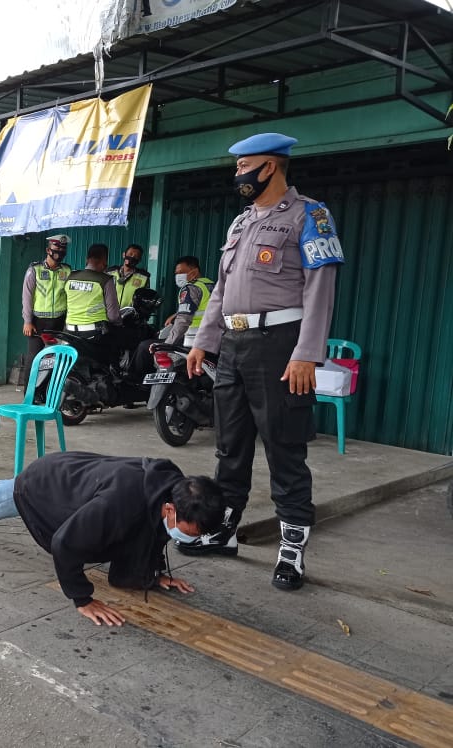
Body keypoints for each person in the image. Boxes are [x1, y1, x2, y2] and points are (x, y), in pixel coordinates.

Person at [185, 132, 342, 591]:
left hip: (280, 344)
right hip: (233, 344)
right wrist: (202, 341)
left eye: (243, 166)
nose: (238, 174)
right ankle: (222, 530)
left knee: (284, 449)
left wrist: (307, 353)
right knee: (230, 447)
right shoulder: (240, 223)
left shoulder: (309, 216)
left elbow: (321, 288)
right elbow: (220, 291)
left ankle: (291, 551)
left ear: (269, 166)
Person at [0, 453, 225, 627]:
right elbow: (64, 544)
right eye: (189, 531)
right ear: (170, 508)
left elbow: (150, 535)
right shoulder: (121, 503)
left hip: (72, 476)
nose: (187, 538)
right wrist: (83, 599)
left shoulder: (171, 489)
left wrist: (153, 575)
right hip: (45, 486)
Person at [20, 234, 71, 385]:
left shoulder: (67, 271)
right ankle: (30, 395)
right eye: (56, 249)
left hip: (59, 322)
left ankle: (46, 392)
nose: (59, 253)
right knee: (35, 357)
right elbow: (27, 297)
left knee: (55, 358)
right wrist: (27, 321)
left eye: (63, 250)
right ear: (48, 250)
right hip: (38, 322)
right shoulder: (34, 270)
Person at [63, 243, 120, 338]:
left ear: (87, 259)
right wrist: (119, 324)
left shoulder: (70, 277)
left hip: (69, 331)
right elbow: (113, 316)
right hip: (94, 333)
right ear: (104, 261)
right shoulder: (105, 279)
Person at [107, 243, 151, 309]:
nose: (132, 257)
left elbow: (145, 299)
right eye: (130, 254)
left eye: (136, 256)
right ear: (124, 255)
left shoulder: (144, 277)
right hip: (110, 314)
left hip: (131, 316)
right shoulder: (110, 272)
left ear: (139, 260)